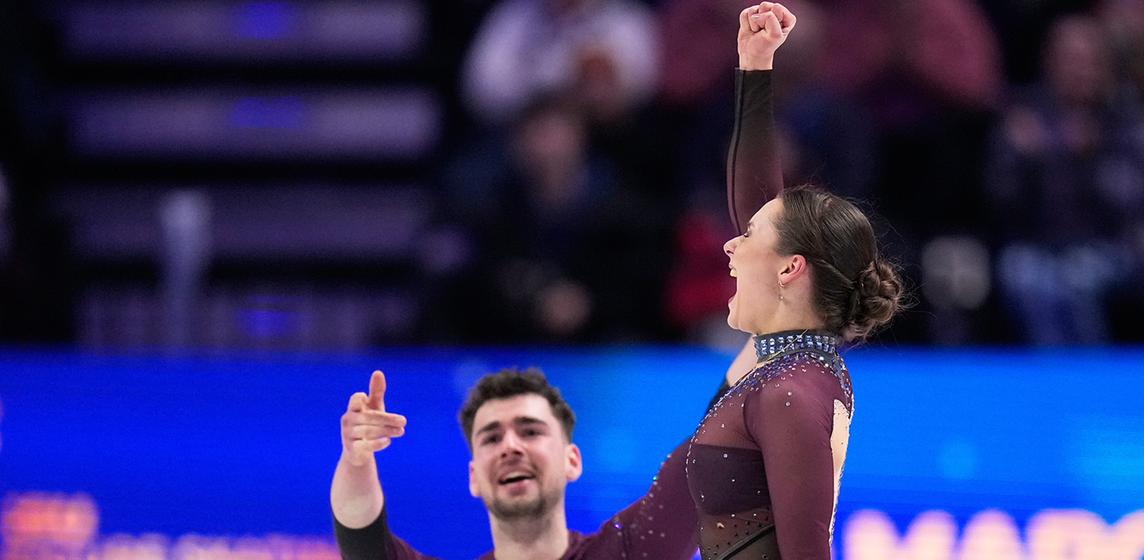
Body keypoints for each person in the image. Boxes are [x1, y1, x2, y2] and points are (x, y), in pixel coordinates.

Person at [685, 3, 904, 559]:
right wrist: (754, 67)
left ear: (789, 269)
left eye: (748, 237)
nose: (731, 245)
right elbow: (761, 206)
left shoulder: (789, 390)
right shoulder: (787, 366)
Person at [330, 369, 701, 559]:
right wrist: (355, 457)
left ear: (572, 460)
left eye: (530, 431)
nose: (510, 446)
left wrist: (761, 319)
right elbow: (361, 537)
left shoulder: (629, 553)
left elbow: (708, 448)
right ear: (474, 477)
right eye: (491, 438)